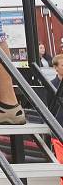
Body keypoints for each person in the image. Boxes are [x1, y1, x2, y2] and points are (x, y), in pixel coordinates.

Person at [50, 54, 63, 182]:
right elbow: (49, 107)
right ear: (56, 68)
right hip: (58, 129)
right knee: (62, 163)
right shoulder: (51, 85)